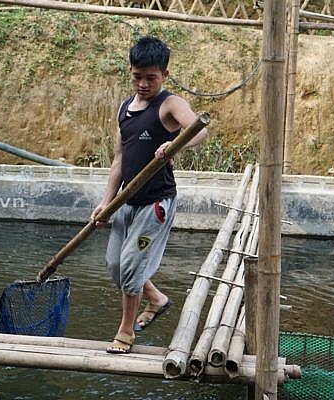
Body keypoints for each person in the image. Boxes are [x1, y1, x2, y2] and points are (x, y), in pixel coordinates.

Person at [90, 36, 208, 354]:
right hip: (127, 202)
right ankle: (156, 298)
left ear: (164, 75)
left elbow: (200, 128)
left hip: (156, 205)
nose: (143, 84)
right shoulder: (125, 110)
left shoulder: (169, 104)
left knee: (131, 265)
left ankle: (126, 332)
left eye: (151, 78)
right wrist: (106, 203)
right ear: (130, 70)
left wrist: (175, 144)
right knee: (115, 266)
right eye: (137, 76)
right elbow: (119, 161)